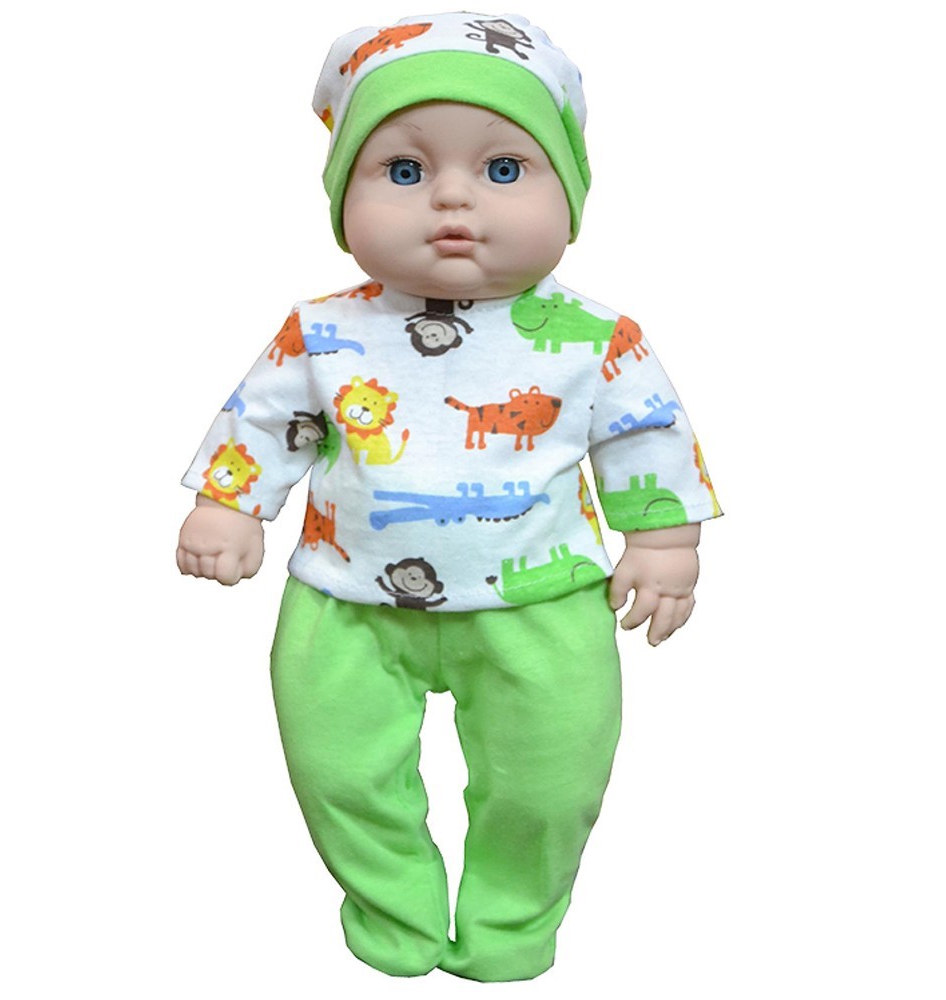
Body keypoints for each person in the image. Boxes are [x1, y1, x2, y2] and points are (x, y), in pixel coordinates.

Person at [177, 11, 721, 982]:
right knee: (338, 773)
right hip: (344, 603)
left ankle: (512, 923)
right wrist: (231, 504)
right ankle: (394, 909)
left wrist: (663, 541)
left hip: (543, 604)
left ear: (570, 193)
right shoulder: (321, 331)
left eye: (505, 167)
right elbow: (265, 421)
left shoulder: (595, 339)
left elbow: (645, 435)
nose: (453, 199)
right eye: (403, 169)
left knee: (550, 781)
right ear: (342, 196)